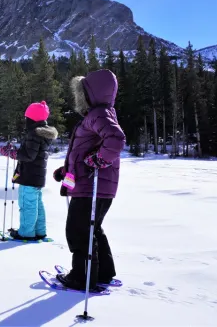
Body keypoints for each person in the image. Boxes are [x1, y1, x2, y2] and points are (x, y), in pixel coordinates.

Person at [53, 69, 126, 291]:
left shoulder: (99, 114)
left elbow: (116, 139)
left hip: (91, 187)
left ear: (90, 94)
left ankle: (82, 277)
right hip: (94, 185)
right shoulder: (102, 114)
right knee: (93, 229)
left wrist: (99, 160)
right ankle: (102, 272)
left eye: (82, 92)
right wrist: (65, 171)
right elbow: (84, 153)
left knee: (79, 230)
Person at [0, 101, 58, 241]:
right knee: (36, 204)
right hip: (37, 176)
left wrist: (12, 153)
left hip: (29, 175)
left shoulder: (34, 134)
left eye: (27, 118)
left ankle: (26, 232)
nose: (26, 120)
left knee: (27, 204)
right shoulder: (42, 134)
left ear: (31, 119)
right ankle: (39, 231)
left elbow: (28, 155)